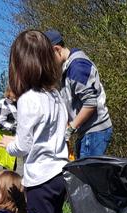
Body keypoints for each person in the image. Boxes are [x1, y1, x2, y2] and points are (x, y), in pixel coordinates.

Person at [0, 29, 68, 213]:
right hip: (61, 173)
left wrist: (9, 144)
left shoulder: (28, 100)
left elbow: (25, 145)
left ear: (19, 64)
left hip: (40, 177)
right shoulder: (56, 96)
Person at [45, 29, 113, 158]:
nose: (48, 64)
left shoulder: (77, 67)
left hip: (94, 130)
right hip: (87, 131)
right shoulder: (68, 68)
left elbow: (90, 104)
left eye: (48, 59)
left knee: (86, 176)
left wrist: (70, 129)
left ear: (57, 49)